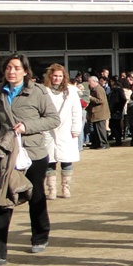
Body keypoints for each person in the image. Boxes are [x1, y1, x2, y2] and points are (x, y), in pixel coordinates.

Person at [0, 53, 61, 266]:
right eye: (8, 67)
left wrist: (27, 126)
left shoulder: (38, 92)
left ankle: (40, 235)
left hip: (33, 153)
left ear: (25, 71)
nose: (12, 71)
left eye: (16, 68)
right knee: (2, 199)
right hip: (7, 155)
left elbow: (53, 119)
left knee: (35, 197)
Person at [42, 64, 82, 200]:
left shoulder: (71, 91)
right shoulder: (43, 91)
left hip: (66, 129)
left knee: (66, 160)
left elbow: (76, 111)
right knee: (50, 161)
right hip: (48, 130)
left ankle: (65, 187)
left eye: (60, 76)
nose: (57, 78)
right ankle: (52, 189)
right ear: (50, 76)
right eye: (55, 76)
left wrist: (76, 128)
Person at [87, 75, 110, 148]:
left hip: (100, 113)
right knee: (96, 130)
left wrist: (90, 98)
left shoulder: (99, 89)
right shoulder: (94, 89)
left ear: (94, 82)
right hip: (95, 113)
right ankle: (97, 143)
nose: (88, 84)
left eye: (89, 82)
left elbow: (100, 100)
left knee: (100, 129)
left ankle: (104, 143)